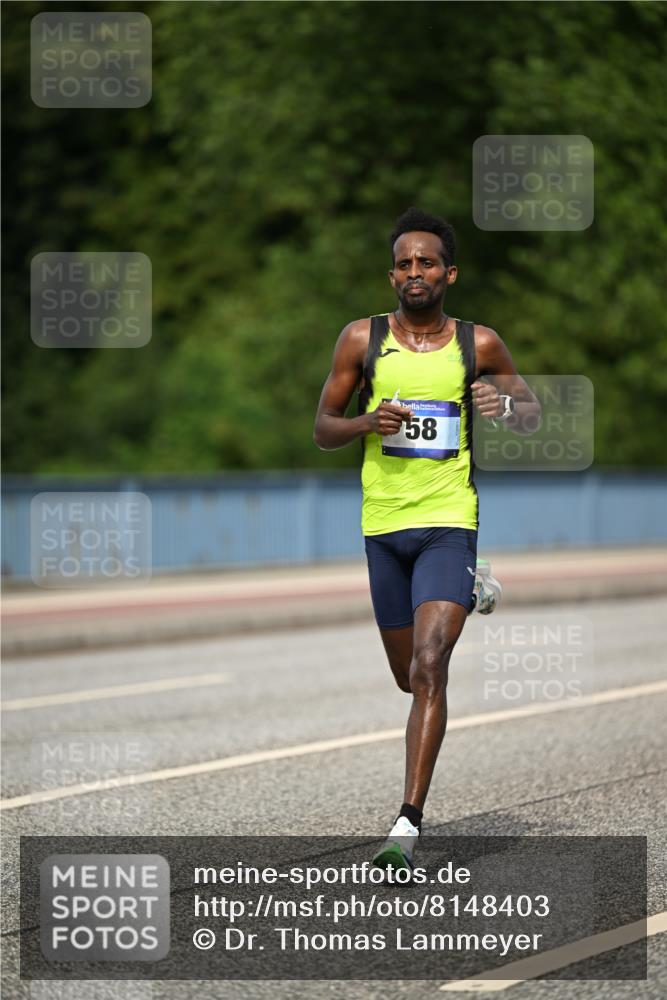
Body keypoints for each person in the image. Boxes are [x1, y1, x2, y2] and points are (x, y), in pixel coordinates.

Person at [313, 207, 540, 872]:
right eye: (405, 263)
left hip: (448, 519)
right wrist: (364, 424)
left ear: (449, 273)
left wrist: (506, 406)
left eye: (427, 262)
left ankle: (404, 825)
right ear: (392, 275)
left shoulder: (480, 344)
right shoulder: (360, 338)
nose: (416, 272)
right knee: (406, 677)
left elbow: (528, 411)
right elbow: (323, 427)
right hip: (383, 527)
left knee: (431, 665)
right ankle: (474, 586)